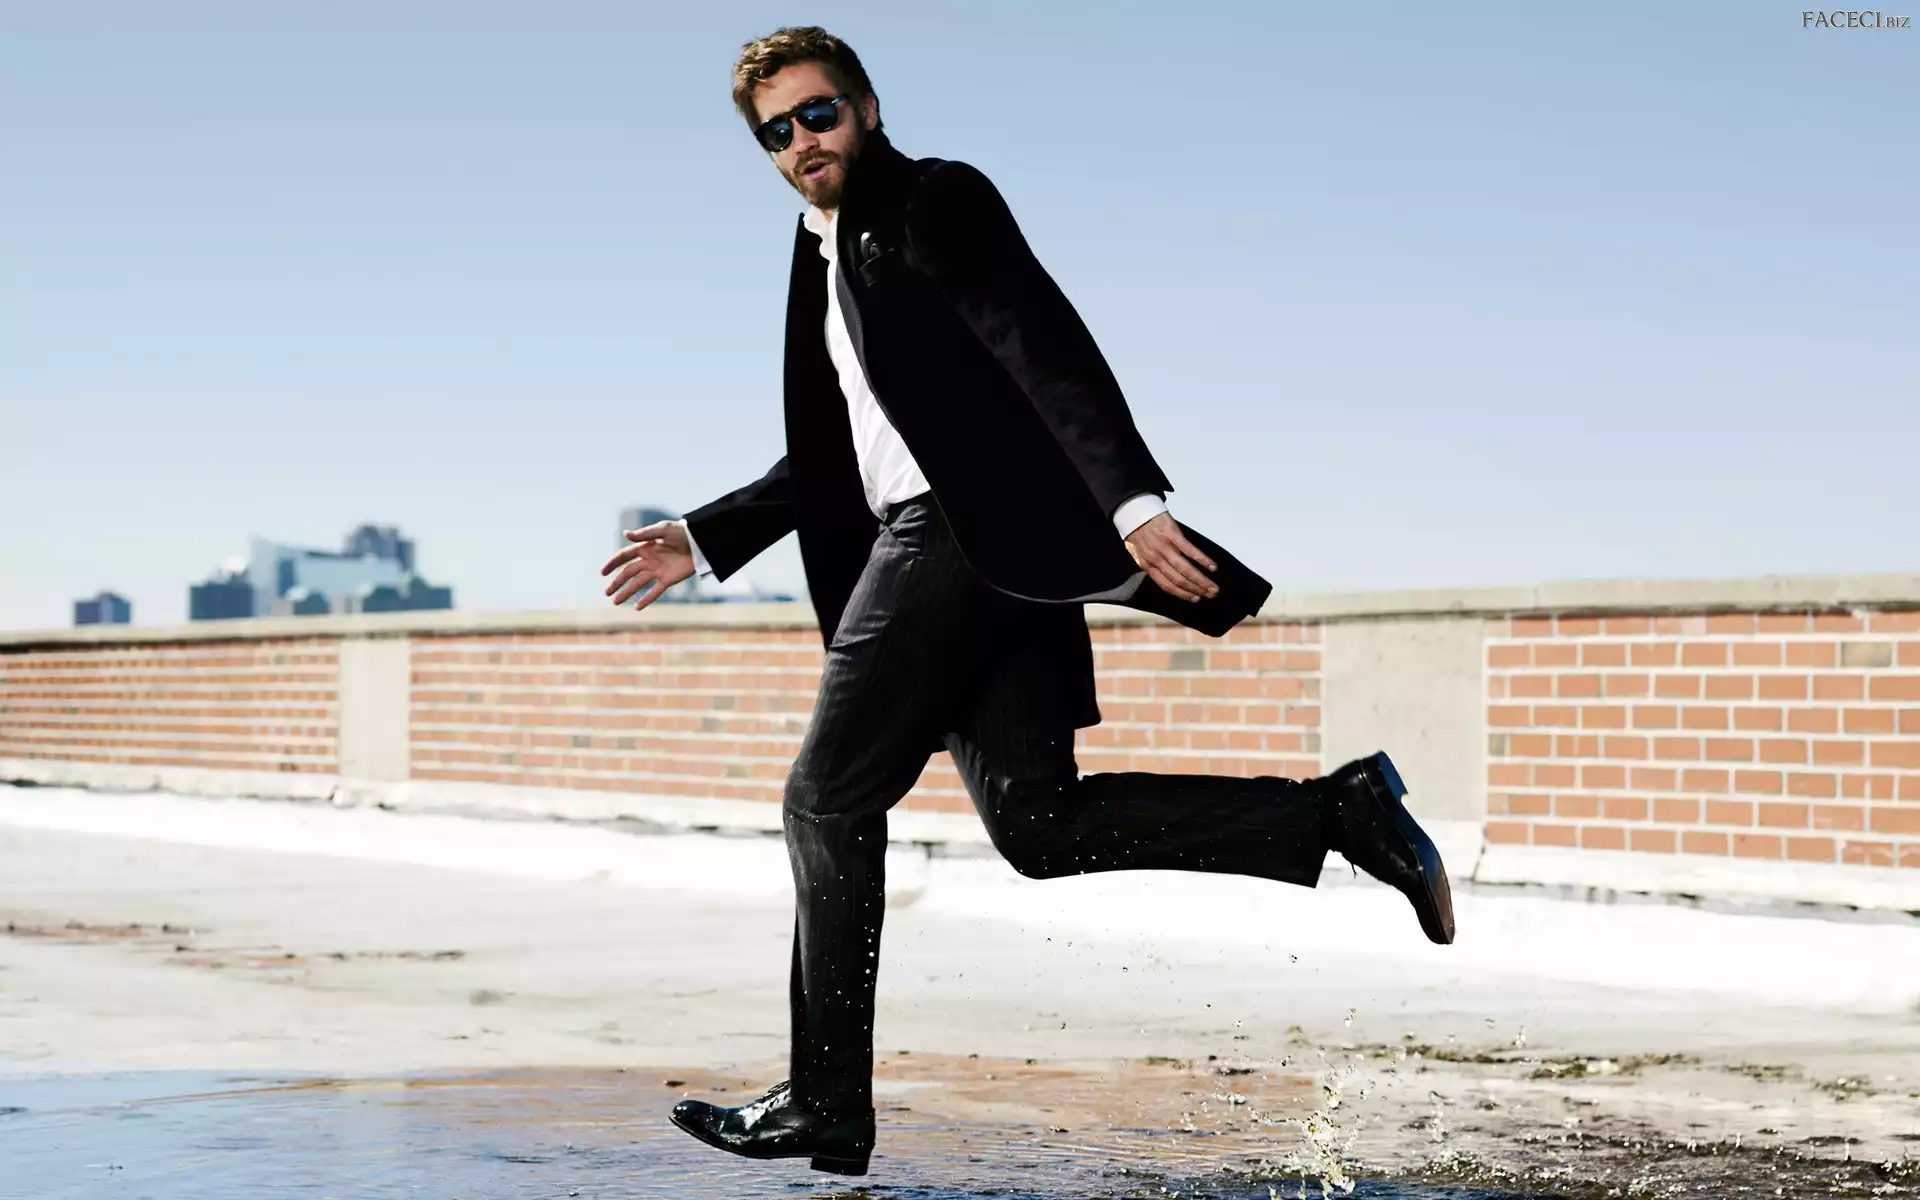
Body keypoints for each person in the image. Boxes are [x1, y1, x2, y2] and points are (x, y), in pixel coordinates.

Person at [598, 25, 1454, 1178]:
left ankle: (826, 1100)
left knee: (825, 799)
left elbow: (1040, 340)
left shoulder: (931, 200)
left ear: (867, 108)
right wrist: (710, 533)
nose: (801, 140)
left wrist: (1130, 500)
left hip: (953, 536)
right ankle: (1337, 815)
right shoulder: (826, 257)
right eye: (776, 131)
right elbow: (844, 453)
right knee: (1039, 828)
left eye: (819, 113)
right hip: (973, 556)